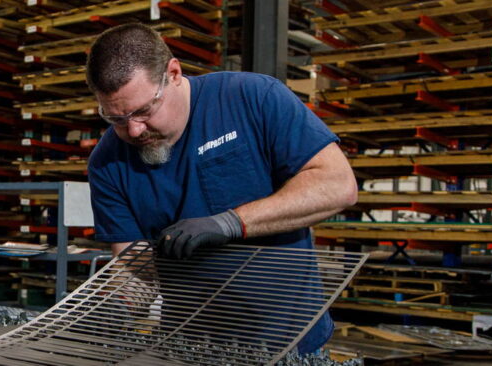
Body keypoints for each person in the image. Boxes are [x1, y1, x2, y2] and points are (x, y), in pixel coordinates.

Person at [85, 23, 358, 354]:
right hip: (190, 349)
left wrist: (231, 222)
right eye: (116, 118)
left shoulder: (252, 98)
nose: (134, 130)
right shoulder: (107, 162)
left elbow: (337, 184)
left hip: (288, 342)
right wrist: (120, 307)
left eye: (143, 111)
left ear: (173, 74)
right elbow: (137, 270)